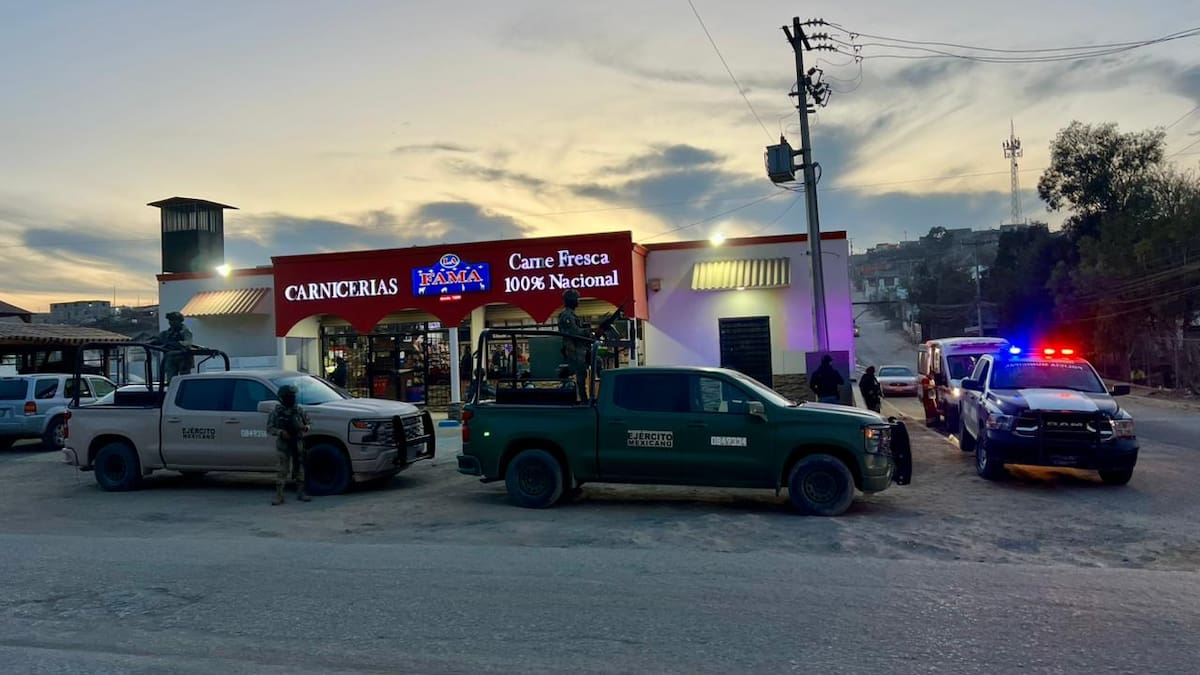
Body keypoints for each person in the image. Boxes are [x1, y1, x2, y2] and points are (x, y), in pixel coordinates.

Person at [267, 384, 312, 505]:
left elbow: (308, 422)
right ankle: (279, 495)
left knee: (300, 468)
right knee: (282, 469)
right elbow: (270, 428)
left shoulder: (298, 410)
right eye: (289, 396)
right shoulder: (277, 412)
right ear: (282, 397)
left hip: (297, 442)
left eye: (293, 396)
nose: (292, 398)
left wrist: (305, 428)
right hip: (283, 444)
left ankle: (301, 492)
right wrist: (281, 432)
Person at [557, 289, 593, 401]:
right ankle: (583, 399)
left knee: (592, 365)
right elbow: (574, 332)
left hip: (579, 349)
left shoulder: (572, 315)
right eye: (576, 299)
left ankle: (584, 397)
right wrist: (587, 331)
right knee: (580, 373)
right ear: (571, 300)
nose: (578, 301)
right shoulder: (566, 316)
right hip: (573, 349)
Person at [156, 311, 194, 381]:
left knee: (184, 379)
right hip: (170, 359)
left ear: (180, 321)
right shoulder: (166, 333)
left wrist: (176, 344)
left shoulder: (185, 332)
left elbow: (187, 343)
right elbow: (157, 340)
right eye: (170, 320)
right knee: (171, 380)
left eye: (174, 320)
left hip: (183, 359)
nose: (171, 322)